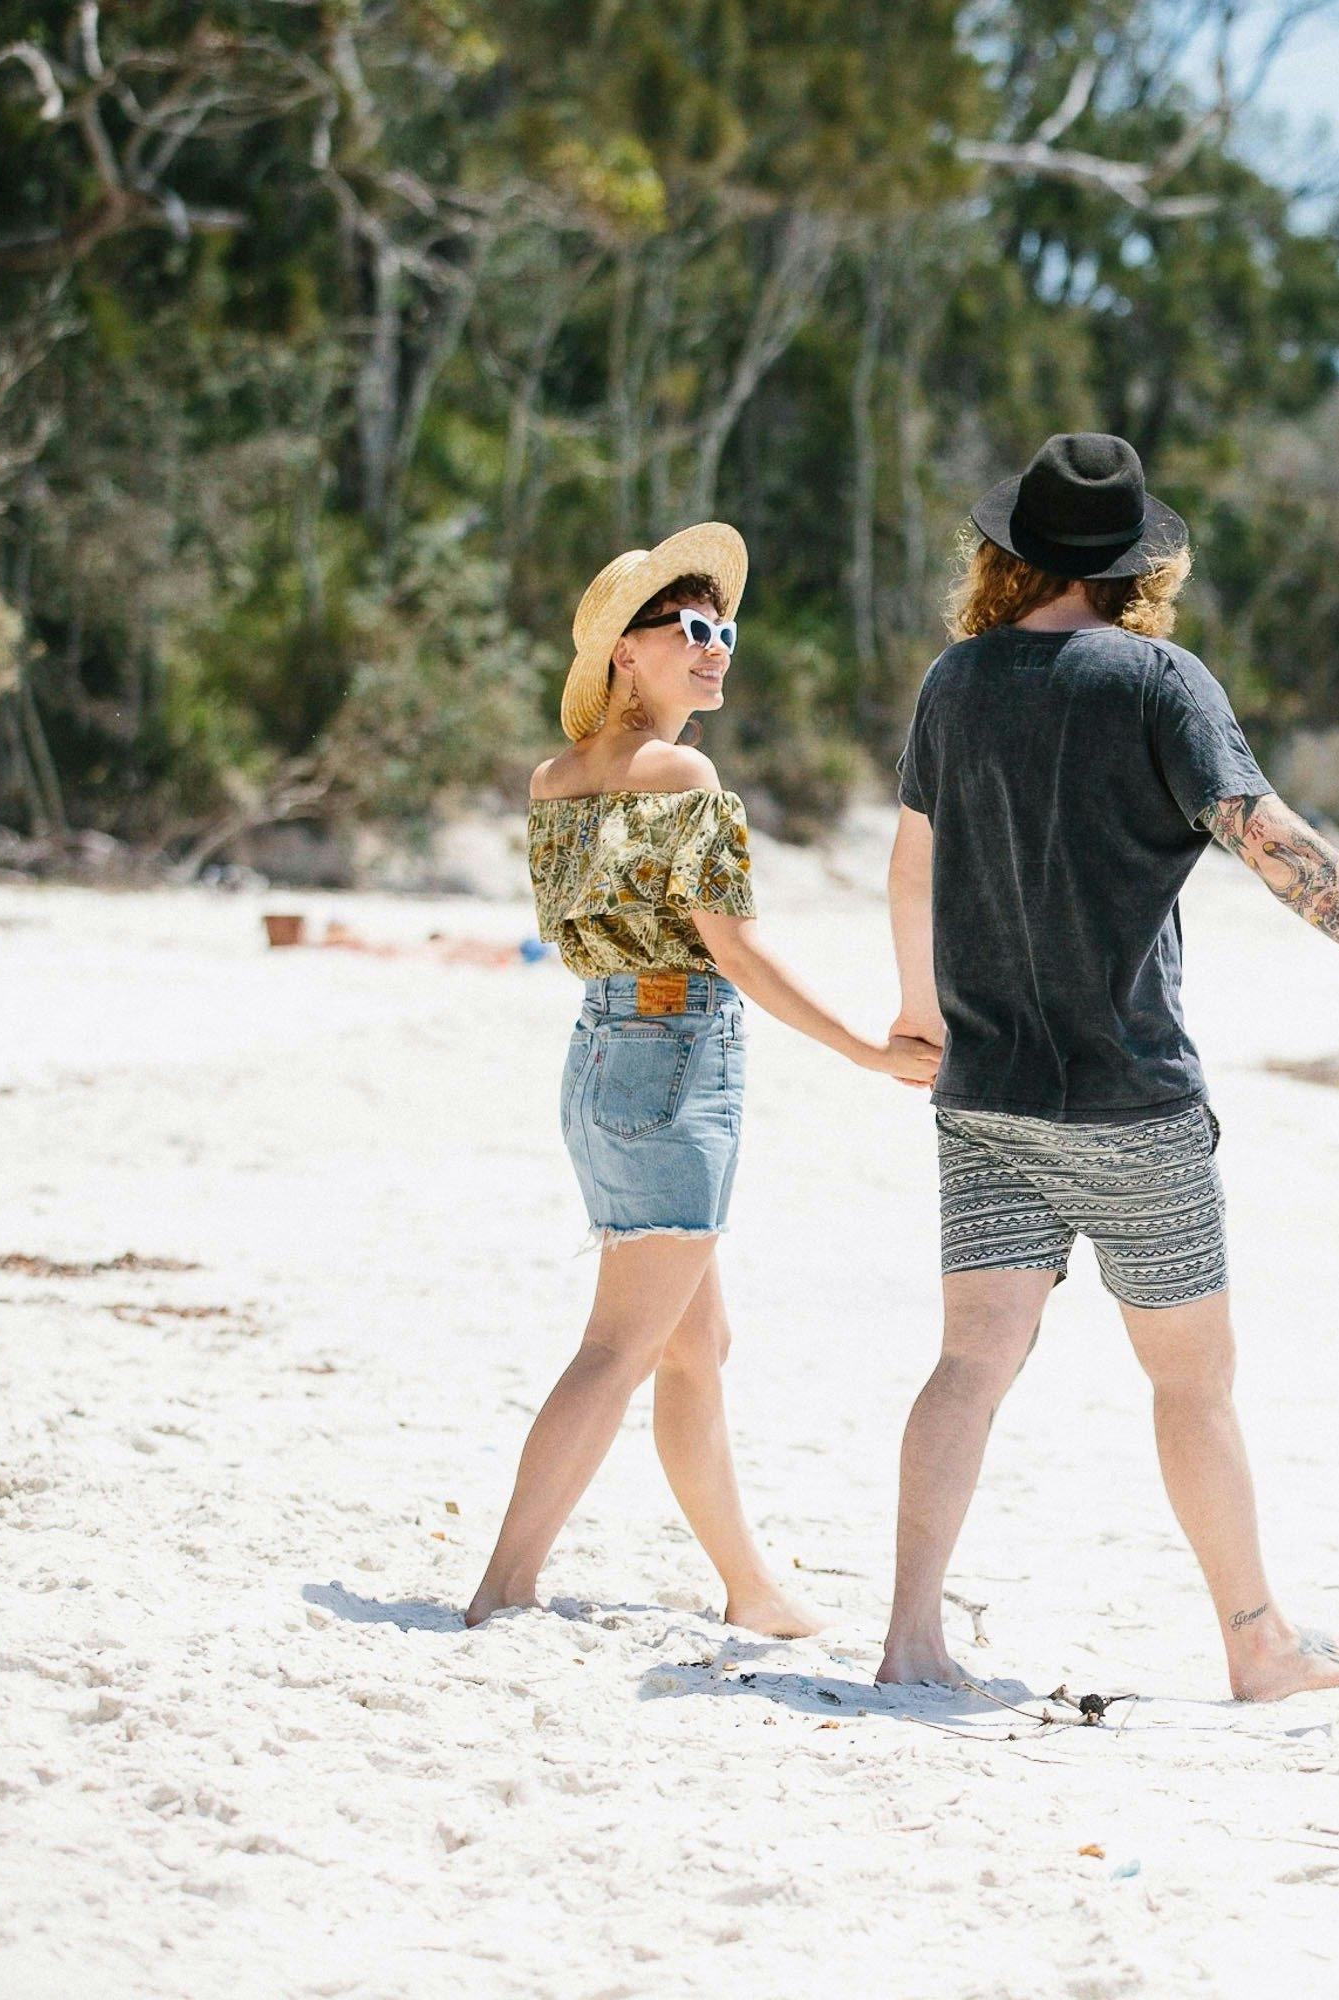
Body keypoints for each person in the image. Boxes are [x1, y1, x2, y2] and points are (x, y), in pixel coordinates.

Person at [877, 434, 1339, 1701]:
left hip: (983, 1096)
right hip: (1129, 1097)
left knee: (970, 1360)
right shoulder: (1157, 681)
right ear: (1137, 566)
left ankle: (910, 1640)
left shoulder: (954, 682)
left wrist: (920, 1016)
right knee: (1191, 1380)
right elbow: (1276, 842)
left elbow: (910, 862)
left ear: (1008, 553)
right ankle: (1254, 1640)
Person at [464, 523, 940, 1631]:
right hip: (675, 1059)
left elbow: (589, 936)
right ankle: (503, 1583)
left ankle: (752, 1587)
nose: (715, 646)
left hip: (598, 1059)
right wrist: (867, 1050)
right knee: (621, 1344)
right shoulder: (682, 771)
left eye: (723, 629)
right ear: (624, 651)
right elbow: (732, 948)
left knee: (695, 1340)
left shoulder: (553, 779)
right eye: (690, 629)